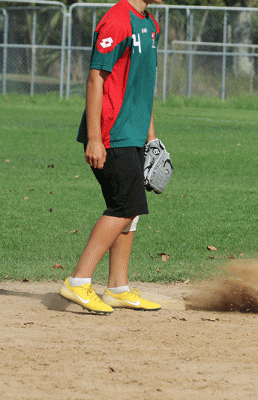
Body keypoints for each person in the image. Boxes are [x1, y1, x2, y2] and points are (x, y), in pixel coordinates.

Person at [59, 0, 163, 314]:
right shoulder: (117, 21)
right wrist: (94, 138)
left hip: (133, 131)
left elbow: (142, 89)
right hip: (110, 133)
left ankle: (117, 288)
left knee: (131, 211)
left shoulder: (150, 23)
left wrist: (152, 138)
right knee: (124, 206)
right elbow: (95, 79)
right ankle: (77, 281)